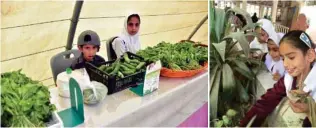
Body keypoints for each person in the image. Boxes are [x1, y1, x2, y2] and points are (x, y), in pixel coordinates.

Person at [240, 30, 316, 127]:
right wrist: (244, 124)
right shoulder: (288, 79)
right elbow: (266, 101)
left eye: (291, 57)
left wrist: (311, 109)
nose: (285, 64)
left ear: (310, 55)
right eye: (283, 58)